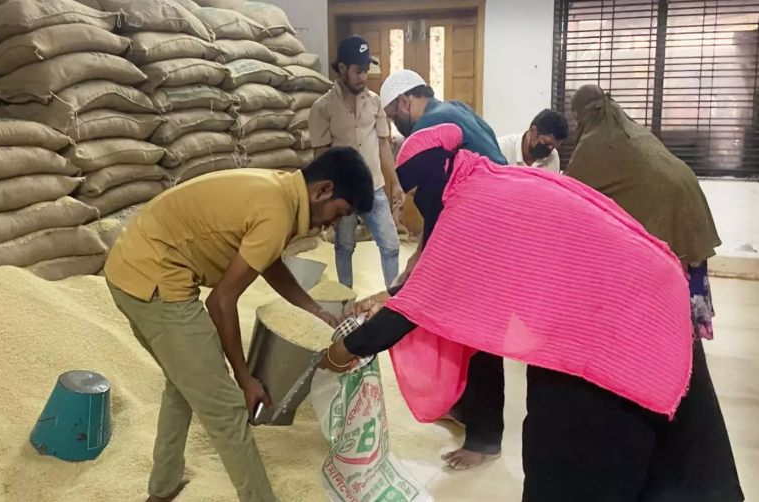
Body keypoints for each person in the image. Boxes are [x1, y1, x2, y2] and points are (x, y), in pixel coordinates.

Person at [326, 123, 743, 502]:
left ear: (428, 182)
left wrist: (341, 353)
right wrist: (392, 295)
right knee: (676, 470)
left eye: (413, 194)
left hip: (608, 333)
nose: (412, 206)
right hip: (658, 302)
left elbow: (415, 307)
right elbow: (436, 285)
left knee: (568, 456)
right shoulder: (492, 180)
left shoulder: (469, 206)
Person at [103, 148, 375, 502]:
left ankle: (163, 488)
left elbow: (267, 260)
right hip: (155, 279)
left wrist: (312, 309)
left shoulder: (279, 189)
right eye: (339, 213)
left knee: (185, 384)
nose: (333, 224)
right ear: (323, 191)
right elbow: (221, 301)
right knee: (227, 406)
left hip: (131, 267)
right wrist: (243, 378)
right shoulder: (276, 211)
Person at [377, 68, 508, 470]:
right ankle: (463, 406)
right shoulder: (458, 111)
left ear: (404, 102)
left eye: (391, 115)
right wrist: (418, 259)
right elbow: (442, 206)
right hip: (493, 224)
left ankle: (485, 440)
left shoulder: (428, 133)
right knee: (457, 324)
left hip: (482, 237)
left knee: (479, 333)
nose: (394, 126)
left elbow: (439, 208)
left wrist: (417, 265)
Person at [567, 84, 722, 341]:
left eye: (576, 119)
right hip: (688, 196)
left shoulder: (595, 139)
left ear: (582, 114)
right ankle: (688, 330)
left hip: (668, 203)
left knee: (664, 273)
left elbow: (574, 186)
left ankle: (666, 336)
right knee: (686, 265)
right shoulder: (630, 128)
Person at [310, 35, 404, 289]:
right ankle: (345, 300)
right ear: (342, 69)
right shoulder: (322, 108)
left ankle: (393, 304)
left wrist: (395, 184)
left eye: (366, 71)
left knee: (391, 246)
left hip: (374, 187)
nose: (363, 77)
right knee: (344, 247)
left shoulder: (375, 103)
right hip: (343, 193)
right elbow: (321, 157)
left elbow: (384, 146)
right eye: (358, 71)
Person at [497, 109, 569, 172]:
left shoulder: (553, 157)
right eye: (547, 143)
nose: (550, 149)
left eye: (553, 147)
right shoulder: (501, 149)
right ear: (533, 131)